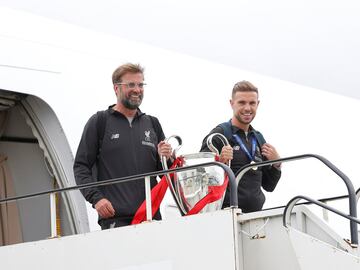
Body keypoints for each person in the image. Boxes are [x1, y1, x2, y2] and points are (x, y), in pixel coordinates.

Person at [73, 63, 172, 229]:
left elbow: (165, 174)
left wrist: (167, 158)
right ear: (116, 88)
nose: (137, 90)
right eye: (130, 85)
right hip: (114, 218)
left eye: (140, 85)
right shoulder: (99, 122)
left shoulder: (153, 123)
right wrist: (96, 199)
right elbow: (81, 167)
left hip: (150, 217)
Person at [200, 80, 281, 213]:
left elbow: (269, 185)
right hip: (225, 216)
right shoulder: (220, 134)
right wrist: (220, 163)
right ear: (231, 103)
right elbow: (200, 178)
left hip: (255, 216)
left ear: (258, 104)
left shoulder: (258, 138)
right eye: (242, 102)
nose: (247, 108)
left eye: (252, 103)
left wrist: (277, 164)